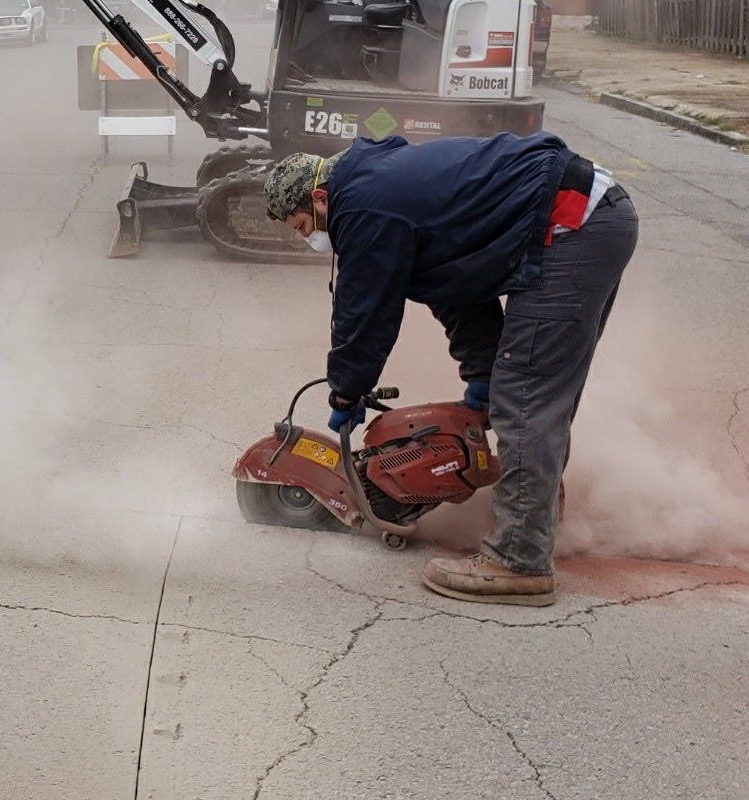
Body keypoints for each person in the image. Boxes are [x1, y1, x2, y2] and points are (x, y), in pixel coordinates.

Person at [263, 132, 638, 607]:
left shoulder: (361, 206)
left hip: (570, 223)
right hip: (586, 214)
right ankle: (537, 521)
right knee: (522, 388)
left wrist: (347, 390)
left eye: (302, 226)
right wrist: (482, 370)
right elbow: (456, 284)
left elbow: (365, 311)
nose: (308, 239)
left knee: (525, 396)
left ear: (319, 198)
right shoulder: (377, 188)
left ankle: (519, 560)